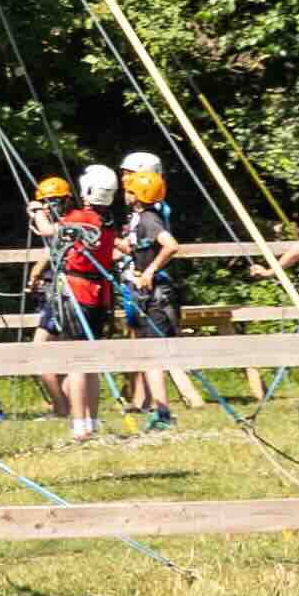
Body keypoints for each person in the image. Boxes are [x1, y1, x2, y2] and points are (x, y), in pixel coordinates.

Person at [36, 166, 119, 432]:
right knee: (90, 360)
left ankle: (80, 422)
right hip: (99, 294)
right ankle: (91, 420)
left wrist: (37, 211)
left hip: (78, 290)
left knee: (76, 360)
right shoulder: (109, 220)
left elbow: (49, 231)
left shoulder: (82, 218)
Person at [112, 154, 183, 420]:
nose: (124, 188)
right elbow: (135, 246)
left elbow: (171, 245)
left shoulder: (150, 218)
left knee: (152, 353)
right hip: (142, 290)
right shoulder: (139, 218)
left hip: (154, 293)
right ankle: (152, 405)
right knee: (147, 350)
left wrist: (150, 271)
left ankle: (162, 411)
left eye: (129, 187)